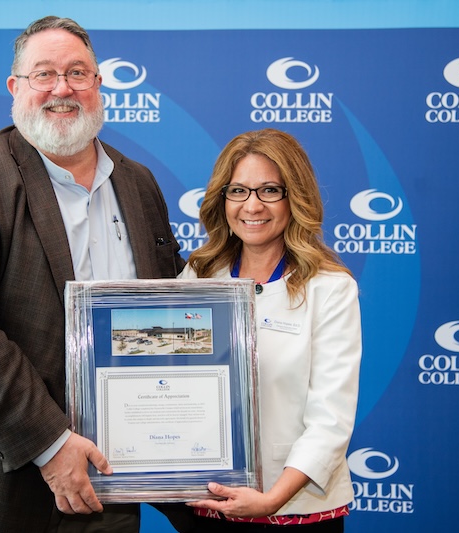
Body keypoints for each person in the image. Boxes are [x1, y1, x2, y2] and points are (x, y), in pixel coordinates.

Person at [0, 15, 186, 533]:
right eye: (43, 74)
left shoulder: (138, 183)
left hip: (106, 479)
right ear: (15, 88)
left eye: (77, 73)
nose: (61, 89)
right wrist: (51, 443)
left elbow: (167, 309)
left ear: (98, 85)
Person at [178, 129, 362, 532]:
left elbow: (331, 418)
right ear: (222, 198)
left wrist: (272, 500)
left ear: (293, 196)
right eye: (239, 191)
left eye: (269, 191)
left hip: (296, 508)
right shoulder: (198, 276)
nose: (252, 206)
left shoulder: (330, 288)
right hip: (212, 503)